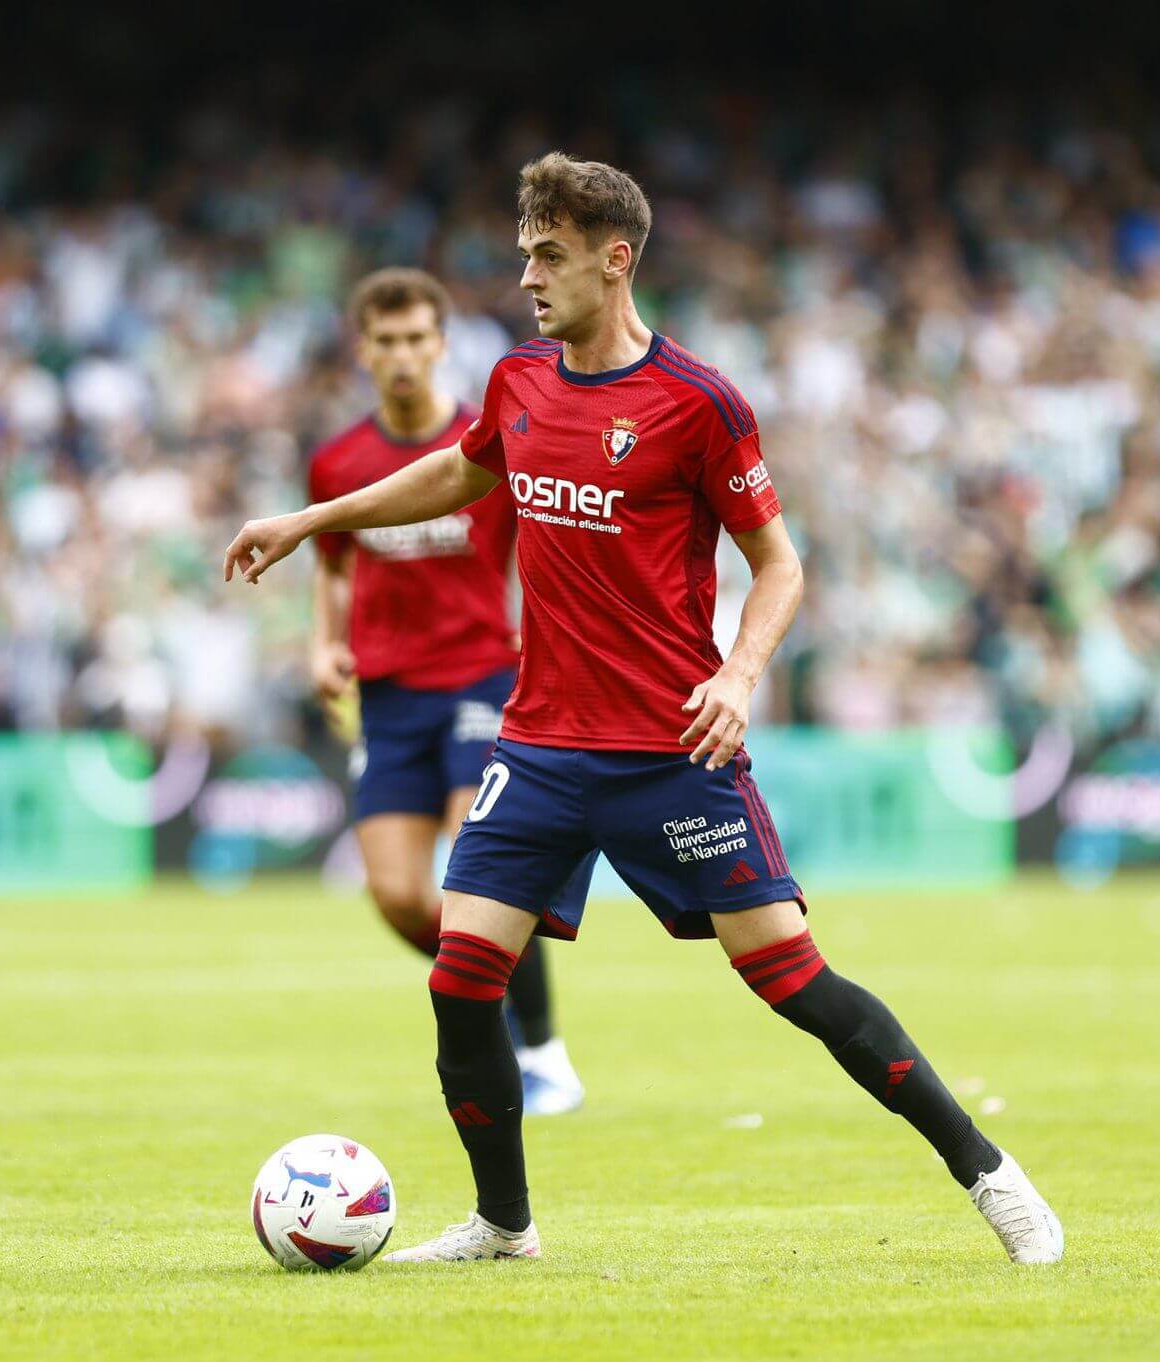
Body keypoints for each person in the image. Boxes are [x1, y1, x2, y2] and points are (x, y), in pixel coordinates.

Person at [225, 154, 1063, 1265]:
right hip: (537, 746)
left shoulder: (697, 403)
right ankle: (501, 1223)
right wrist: (309, 517)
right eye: (524, 253)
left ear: (614, 261)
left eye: (549, 256)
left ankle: (989, 1176)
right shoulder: (519, 383)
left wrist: (735, 675)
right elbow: (458, 476)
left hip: (667, 752)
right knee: (460, 979)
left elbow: (779, 565)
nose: (527, 275)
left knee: (794, 984)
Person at [306, 267, 587, 1115]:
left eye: (416, 339)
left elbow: (545, 544)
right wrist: (323, 645)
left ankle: (543, 1052)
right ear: (364, 350)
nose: (401, 356)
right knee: (396, 894)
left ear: (441, 344)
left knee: (478, 875)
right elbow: (333, 563)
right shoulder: (338, 461)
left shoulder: (491, 440)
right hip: (389, 696)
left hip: (481, 680)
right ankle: (486, 992)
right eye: (385, 341)